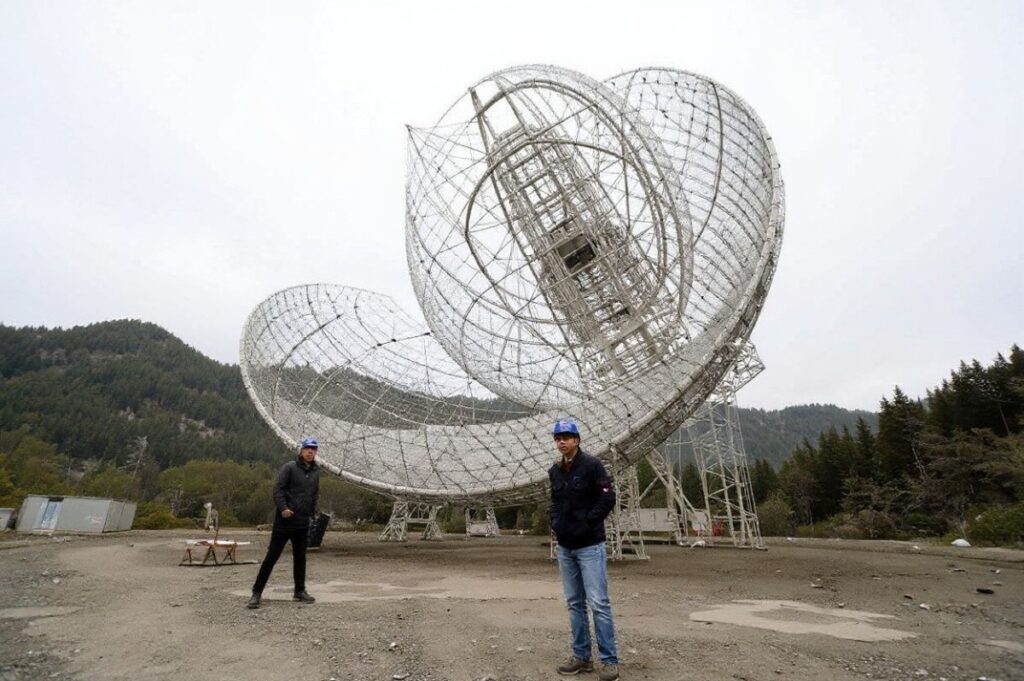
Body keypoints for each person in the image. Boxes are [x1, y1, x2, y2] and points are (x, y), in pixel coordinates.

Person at [548, 419, 620, 680]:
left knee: (599, 604)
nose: (562, 441)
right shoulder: (555, 471)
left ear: (576, 440)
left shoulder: (593, 465)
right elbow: (554, 502)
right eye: (558, 437)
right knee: (575, 604)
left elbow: (607, 498)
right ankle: (582, 658)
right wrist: (556, 524)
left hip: (590, 546)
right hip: (566, 547)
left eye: (567, 436)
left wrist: (588, 523)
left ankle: (610, 661)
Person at [247, 436, 321, 609]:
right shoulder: (289, 468)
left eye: (314, 449)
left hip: (302, 523)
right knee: (271, 558)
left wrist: (313, 513)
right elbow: (278, 490)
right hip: (285, 522)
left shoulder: (316, 472)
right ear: (301, 451)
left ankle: (299, 591)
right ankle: (256, 593)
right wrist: (283, 509)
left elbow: (314, 494)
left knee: (300, 558)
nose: (311, 452)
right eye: (308, 449)